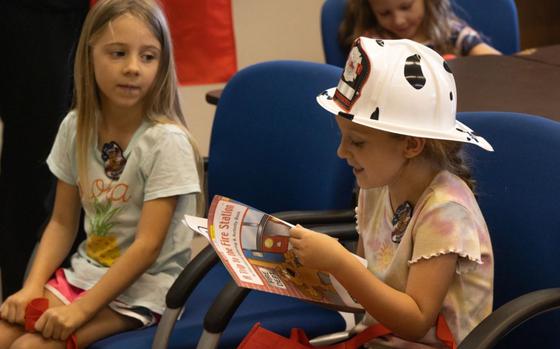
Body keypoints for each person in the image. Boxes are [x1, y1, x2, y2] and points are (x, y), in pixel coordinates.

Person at [0, 0, 204, 347]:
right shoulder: (75, 127)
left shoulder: (165, 142)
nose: (133, 68)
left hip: (148, 291)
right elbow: (62, 223)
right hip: (86, 275)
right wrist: (33, 286)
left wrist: (80, 311)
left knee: (29, 346)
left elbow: (147, 247)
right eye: (118, 53)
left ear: (162, 63)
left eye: (148, 56)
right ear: (89, 53)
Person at [290, 37, 494, 348]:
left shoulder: (446, 211)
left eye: (357, 142)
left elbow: (415, 322)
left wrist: (339, 263)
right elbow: (364, 290)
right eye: (342, 137)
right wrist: (305, 271)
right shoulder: (376, 184)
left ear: (411, 145)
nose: (341, 152)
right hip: (377, 338)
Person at [338, 0, 501, 58]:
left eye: (406, 6)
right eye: (385, 13)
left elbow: (494, 61)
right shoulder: (374, 43)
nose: (399, 21)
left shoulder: (449, 30)